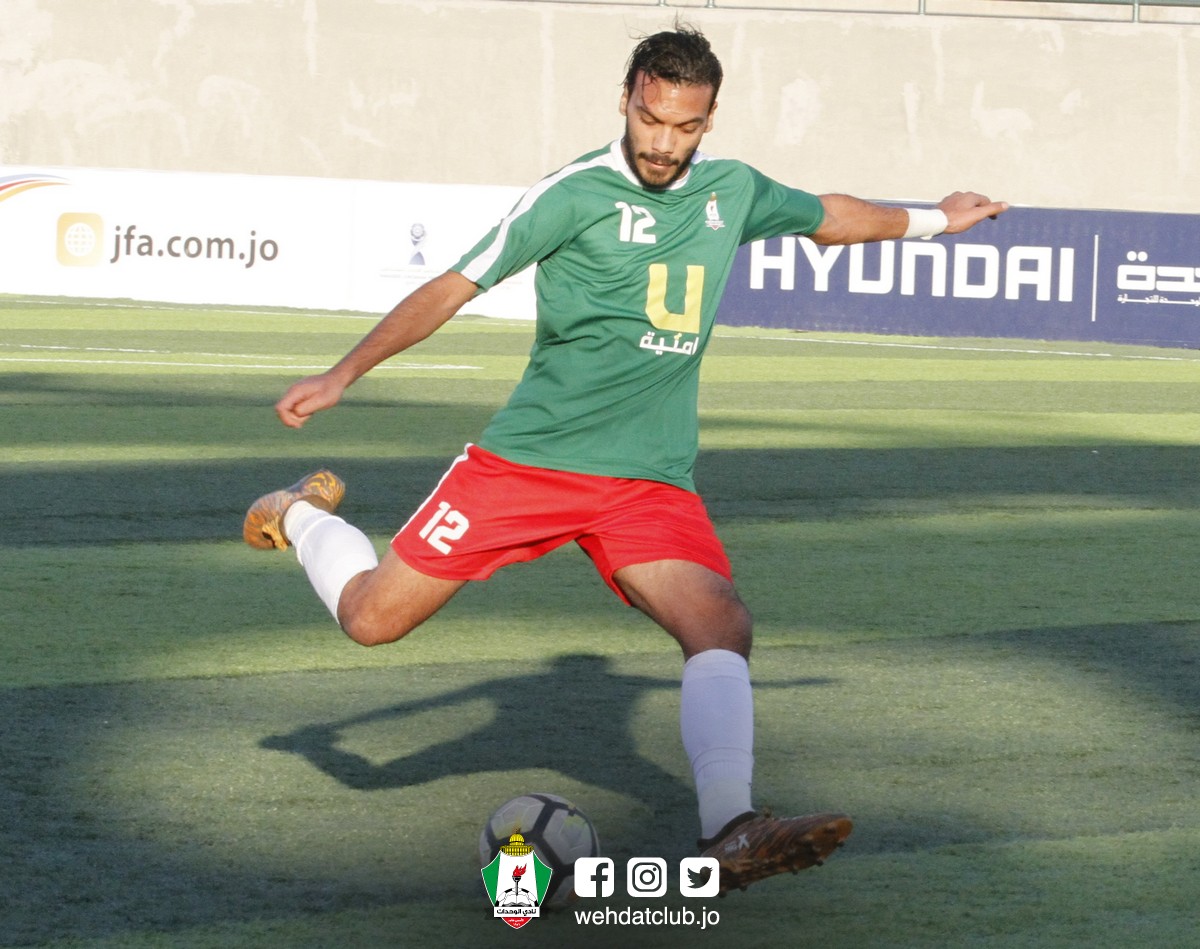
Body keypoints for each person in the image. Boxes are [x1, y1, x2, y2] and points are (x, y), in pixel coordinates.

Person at [243, 25, 1008, 894]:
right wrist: (343, 372)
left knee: (719, 622)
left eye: (685, 126)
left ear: (709, 121)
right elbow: (453, 285)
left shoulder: (732, 190)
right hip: (528, 464)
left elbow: (827, 216)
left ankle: (731, 828)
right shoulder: (571, 195)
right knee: (371, 619)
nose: (663, 142)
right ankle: (299, 511)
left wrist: (936, 219)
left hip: (646, 479)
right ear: (626, 100)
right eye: (651, 118)